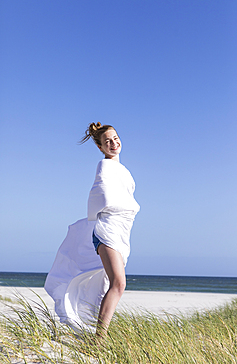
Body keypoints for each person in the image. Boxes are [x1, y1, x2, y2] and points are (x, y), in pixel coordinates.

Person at [44, 122, 140, 339]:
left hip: (122, 230)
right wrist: (118, 208)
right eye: (108, 141)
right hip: (107, 229)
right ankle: (100, 340)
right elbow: (101, 195)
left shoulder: (123, 170)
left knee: (107, 283)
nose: (113, 143)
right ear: (101, 148)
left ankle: (93, 331)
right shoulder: (104, 166)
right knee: (119, 283)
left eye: (115, 138)